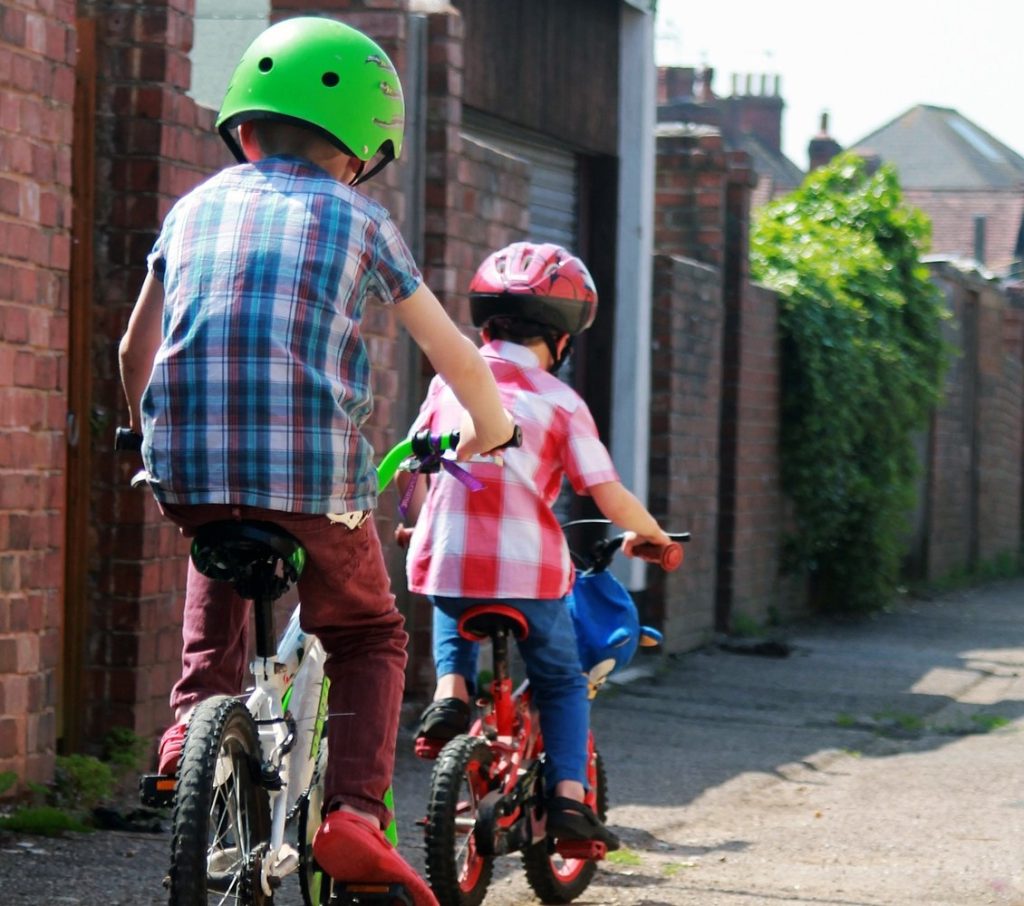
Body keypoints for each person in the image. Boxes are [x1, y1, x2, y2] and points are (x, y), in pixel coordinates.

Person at [117, 17, 513, 903]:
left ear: (243, 129)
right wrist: (493, 431)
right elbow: (456, 356)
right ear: (363, 151)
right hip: (312, 481)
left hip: (188, 466)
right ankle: (355, 816)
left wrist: (144, 437)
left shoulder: (191, 208)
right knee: (371, 634)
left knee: (216, 540)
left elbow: (131, 353)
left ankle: (189, 733)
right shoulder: (362, 220)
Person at [400, 241, 672, 849]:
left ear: (488, 326)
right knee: (560, 681)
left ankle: (451, 693)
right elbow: (605, 493)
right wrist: (650, 532)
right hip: (529, 576)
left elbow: (416, 467)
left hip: (447, 556)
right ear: (562, 342)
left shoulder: (449, 386)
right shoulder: (561, 401)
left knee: (455, 601)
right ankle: (571, 801)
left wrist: (417, 523)